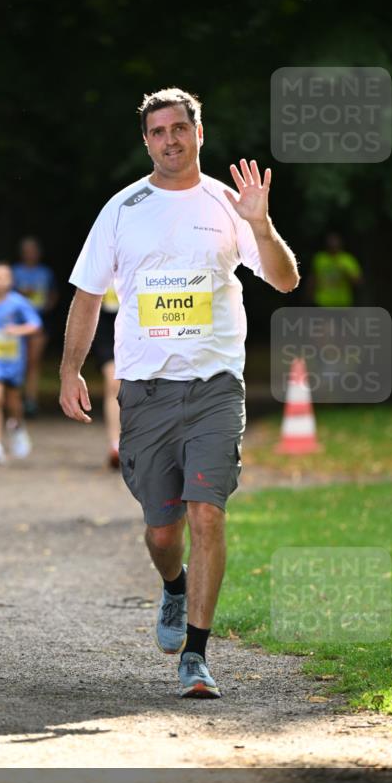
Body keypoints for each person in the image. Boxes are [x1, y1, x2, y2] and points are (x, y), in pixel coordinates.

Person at [59, 87, 299, 698]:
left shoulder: (228, 203)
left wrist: (262, 224)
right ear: (147, 141)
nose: (170, 139)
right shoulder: (122, 208)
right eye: (158, 131)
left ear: (199, 132)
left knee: (207, 513)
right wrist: (70, 370)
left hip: (217, 386)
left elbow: (285, 278)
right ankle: (172, 586)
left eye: (179, 128)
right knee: (163, 533)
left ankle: (196, 655)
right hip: (147, 392)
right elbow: (88, 295)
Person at [0, 261, 42, 464]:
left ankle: (17, 426)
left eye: (4, 277)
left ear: (11, 281)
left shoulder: (18, 302)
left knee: (13, 401)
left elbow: (36, 325)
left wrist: (18, 330)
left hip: (13, 359)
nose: (0, 281)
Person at [12, 236, 58, 416]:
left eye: (33, 250)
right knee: (18, 362)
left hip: (40, 321)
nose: (30, 254)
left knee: (33, 362)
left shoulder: (46, 272)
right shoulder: (14, 271)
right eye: (27, 250)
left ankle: (31, 400)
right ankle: (15, 399)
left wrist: (48, 305)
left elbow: (53, 293)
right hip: (17, 323)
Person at [91, 286, 121, 468]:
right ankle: (115, 444)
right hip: (105, 325)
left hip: (139, 321)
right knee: (113, 383)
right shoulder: (98, 258)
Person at [310, 232, 362, 307]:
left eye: (335, 242)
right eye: (331, 242)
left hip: (342, 303)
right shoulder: (320, 258)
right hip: (323, 301)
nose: (333, 245)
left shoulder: (347, 260)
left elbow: (358, 281)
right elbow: (313, 278)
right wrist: (309, 294)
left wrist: (346, 273)